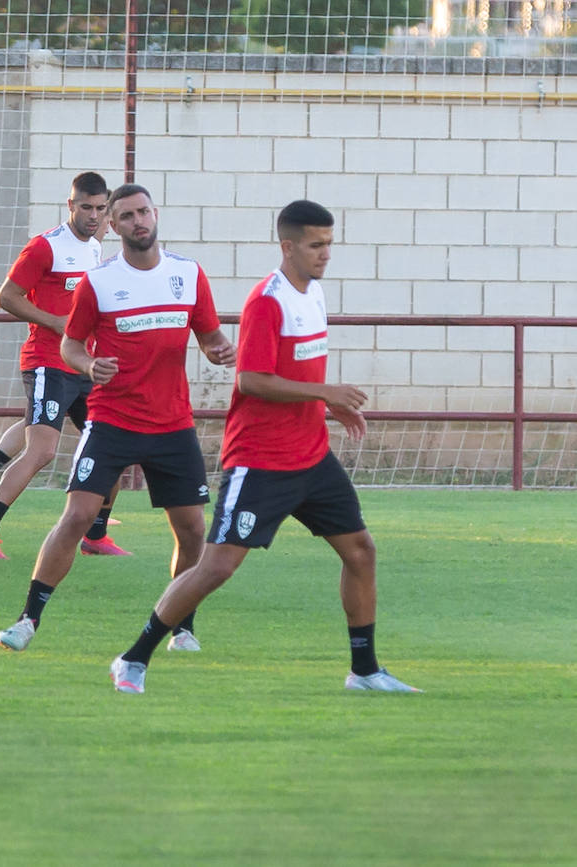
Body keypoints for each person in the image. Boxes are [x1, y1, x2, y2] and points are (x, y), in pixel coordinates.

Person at [108, 200, 421, 694]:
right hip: (261, 461)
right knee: (217, 566)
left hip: (312, 456)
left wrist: (326, 408)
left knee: (361, 551)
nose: (325, 255)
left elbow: (296, 372)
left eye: (329, 245)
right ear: (288, 246)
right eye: (316, 245)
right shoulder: (266, 302)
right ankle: (133, 658)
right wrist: (325, 393)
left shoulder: (313, 293)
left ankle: (364, 671)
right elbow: (252, 380)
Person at [0, 183, 236, 652]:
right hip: (112, 421)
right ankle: (27, 620)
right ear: (113, 225)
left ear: (156, 214)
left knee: (192, 529)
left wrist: (218, 350)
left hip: (172, 424)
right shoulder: (99, 282)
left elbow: (208, 335)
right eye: (126, 216)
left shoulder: (188, 274)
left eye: (143, 212)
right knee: (78, 516)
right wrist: (87, 365)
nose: (138, 221)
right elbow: (71, 343)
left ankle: (182, 627)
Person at [0, 171, 130, 561]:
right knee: (42, 451)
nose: (93, 216)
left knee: (115, 445)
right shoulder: (45, 247)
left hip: (83, 365)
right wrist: (53, 322)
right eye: (85, 207)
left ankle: (96, 535)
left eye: (99, 209)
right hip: (46, 363)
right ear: (70, 205)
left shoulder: (93, 246)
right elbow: (7, 297)